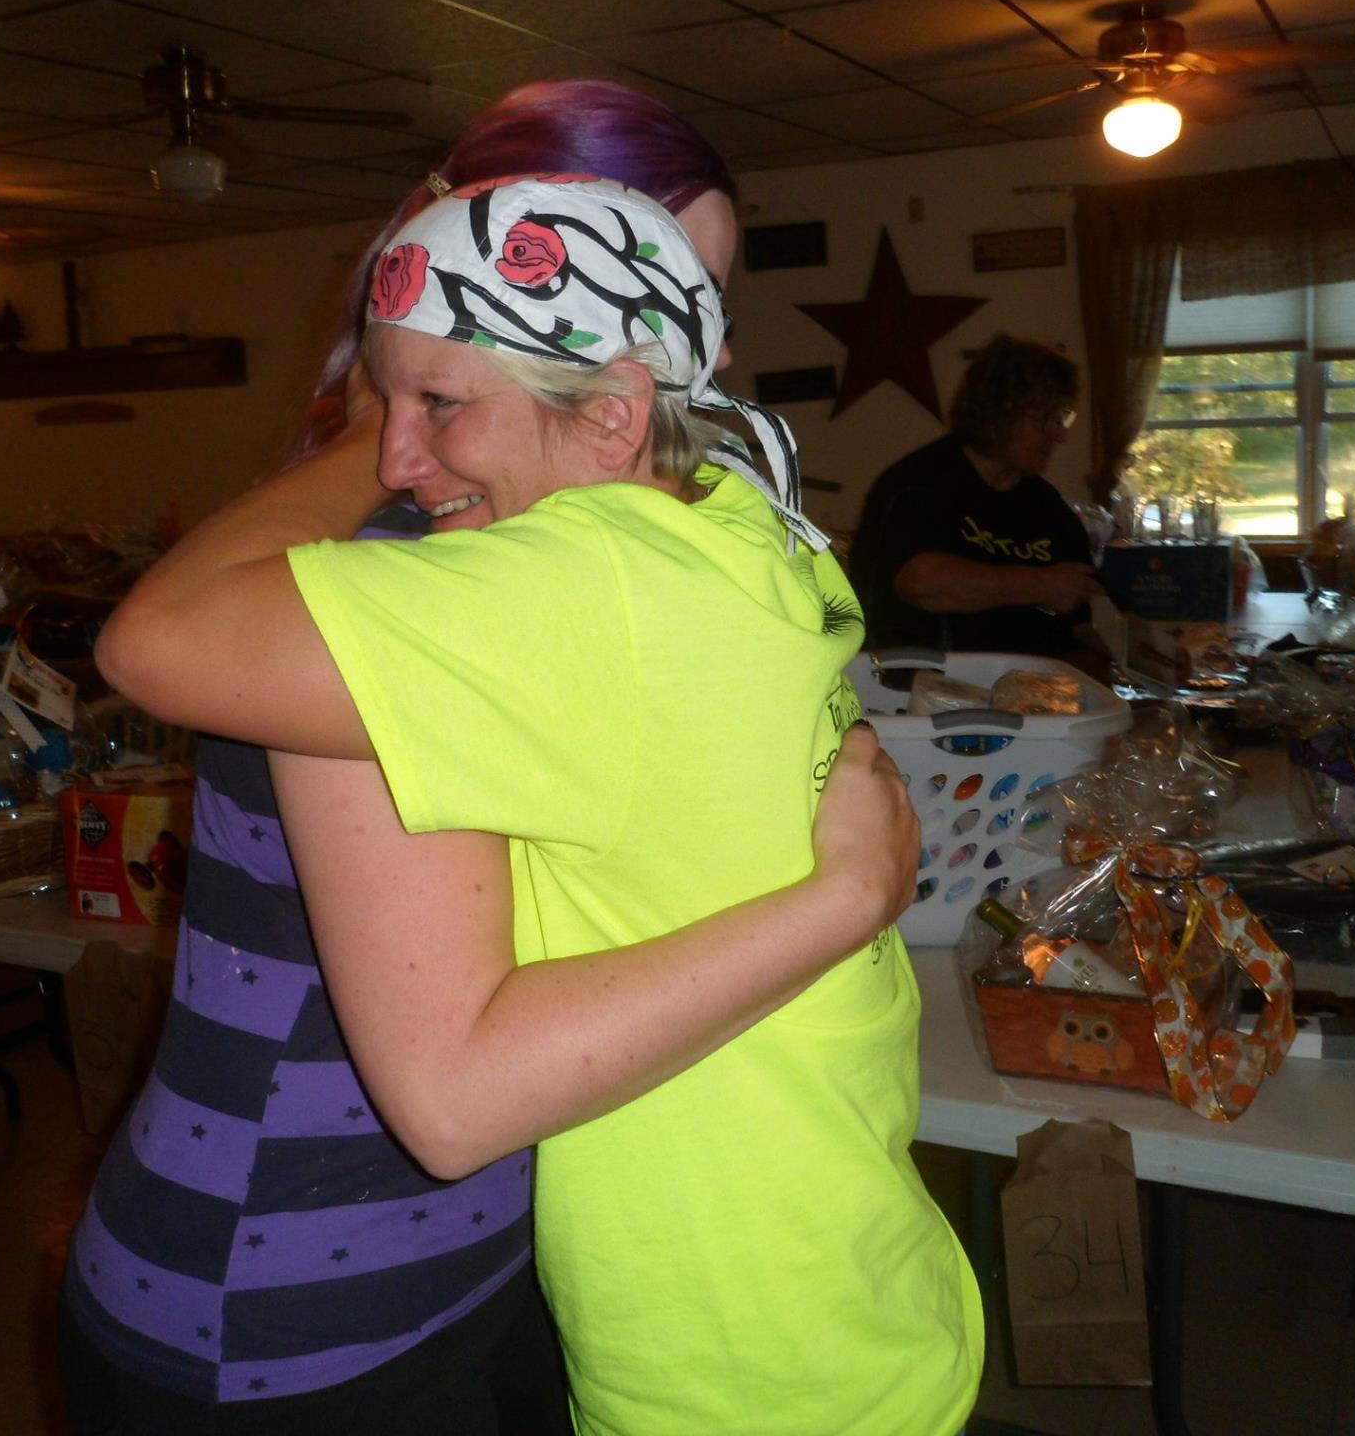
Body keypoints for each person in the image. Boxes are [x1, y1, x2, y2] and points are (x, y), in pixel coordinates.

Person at [59, 86, 932, 1436]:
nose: (688, 349)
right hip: (286, 1302)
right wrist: (394, 423)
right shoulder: (428, 586)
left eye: (704, 297)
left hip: (479, 1258)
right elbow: (455, 1086)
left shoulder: (627, 547)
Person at [848, 334, 1105, 664]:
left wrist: (1139, 656)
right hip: (921, 686)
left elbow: (1080, 624)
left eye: (1062, 419)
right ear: (1000, 411)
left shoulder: (1048, 507)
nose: (1061, 435)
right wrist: (1042, 584)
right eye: (1047, 420)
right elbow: (922, 583)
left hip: (1032, 688)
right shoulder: (917, 485)